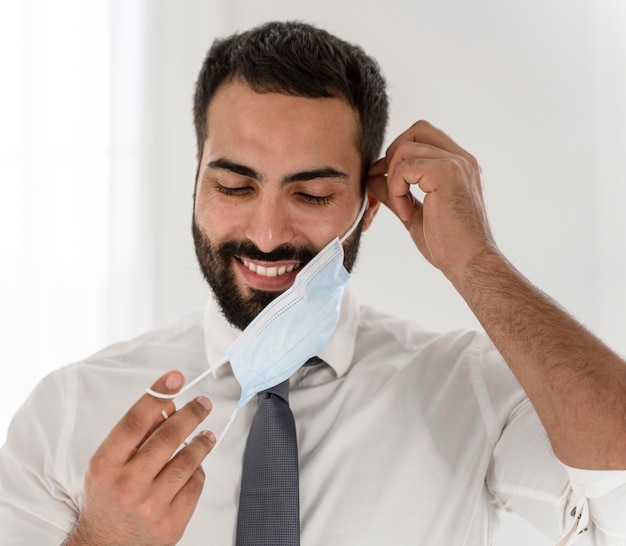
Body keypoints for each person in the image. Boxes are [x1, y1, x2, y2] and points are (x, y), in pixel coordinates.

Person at [1, 20, 625, 546]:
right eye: (235, 186)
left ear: (370, 204)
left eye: (314, 193)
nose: (268, 234)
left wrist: (476, 262)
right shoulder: (67, 414)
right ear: (196, 179)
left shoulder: (466, 389)